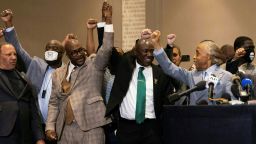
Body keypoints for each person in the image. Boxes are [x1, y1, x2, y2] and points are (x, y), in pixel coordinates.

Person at [0, 9, 66, 144]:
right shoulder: (35, 64)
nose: (50, 52)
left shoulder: (68, 72)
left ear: (61, 53)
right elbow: (17, 48)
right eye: (48, 48)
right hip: (35, 126)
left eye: (55, 49)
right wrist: (9, 24)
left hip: (58, 127)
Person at [45, 14, 113, 144]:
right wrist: (49, 127)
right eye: (74, 52)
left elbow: (106, 49)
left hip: (91, 126)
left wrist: (108, 21)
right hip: (65, 129)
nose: (79, 54)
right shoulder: (58, 74)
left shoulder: (94, 65)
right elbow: (53, 103)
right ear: (68, 55)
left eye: (80, 50)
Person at [105, 29, 174, 144]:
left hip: (151, 130)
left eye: (152, 51)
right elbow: (109, 49)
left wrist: (168, 47)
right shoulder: (125, 69)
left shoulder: (159, 73)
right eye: (145, 51)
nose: (150, 55)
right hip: (127, 128)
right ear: (136, 52)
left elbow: (168, 68)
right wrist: (106, 22)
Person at [153, 32, 236, 105]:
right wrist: (157, 46)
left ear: (209, 56)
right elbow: (169, 67)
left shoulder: (226, 76)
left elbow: (233, 104)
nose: (194, 57)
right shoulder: (191, 75)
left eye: (197, 53)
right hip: (193, 119)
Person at [0, 42, 45, 144]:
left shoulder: (24, 79)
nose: (13, 57)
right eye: (8, 54)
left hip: (25, 136)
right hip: (3, 136)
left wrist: (39, 138)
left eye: (15, 54)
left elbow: (34, 111)